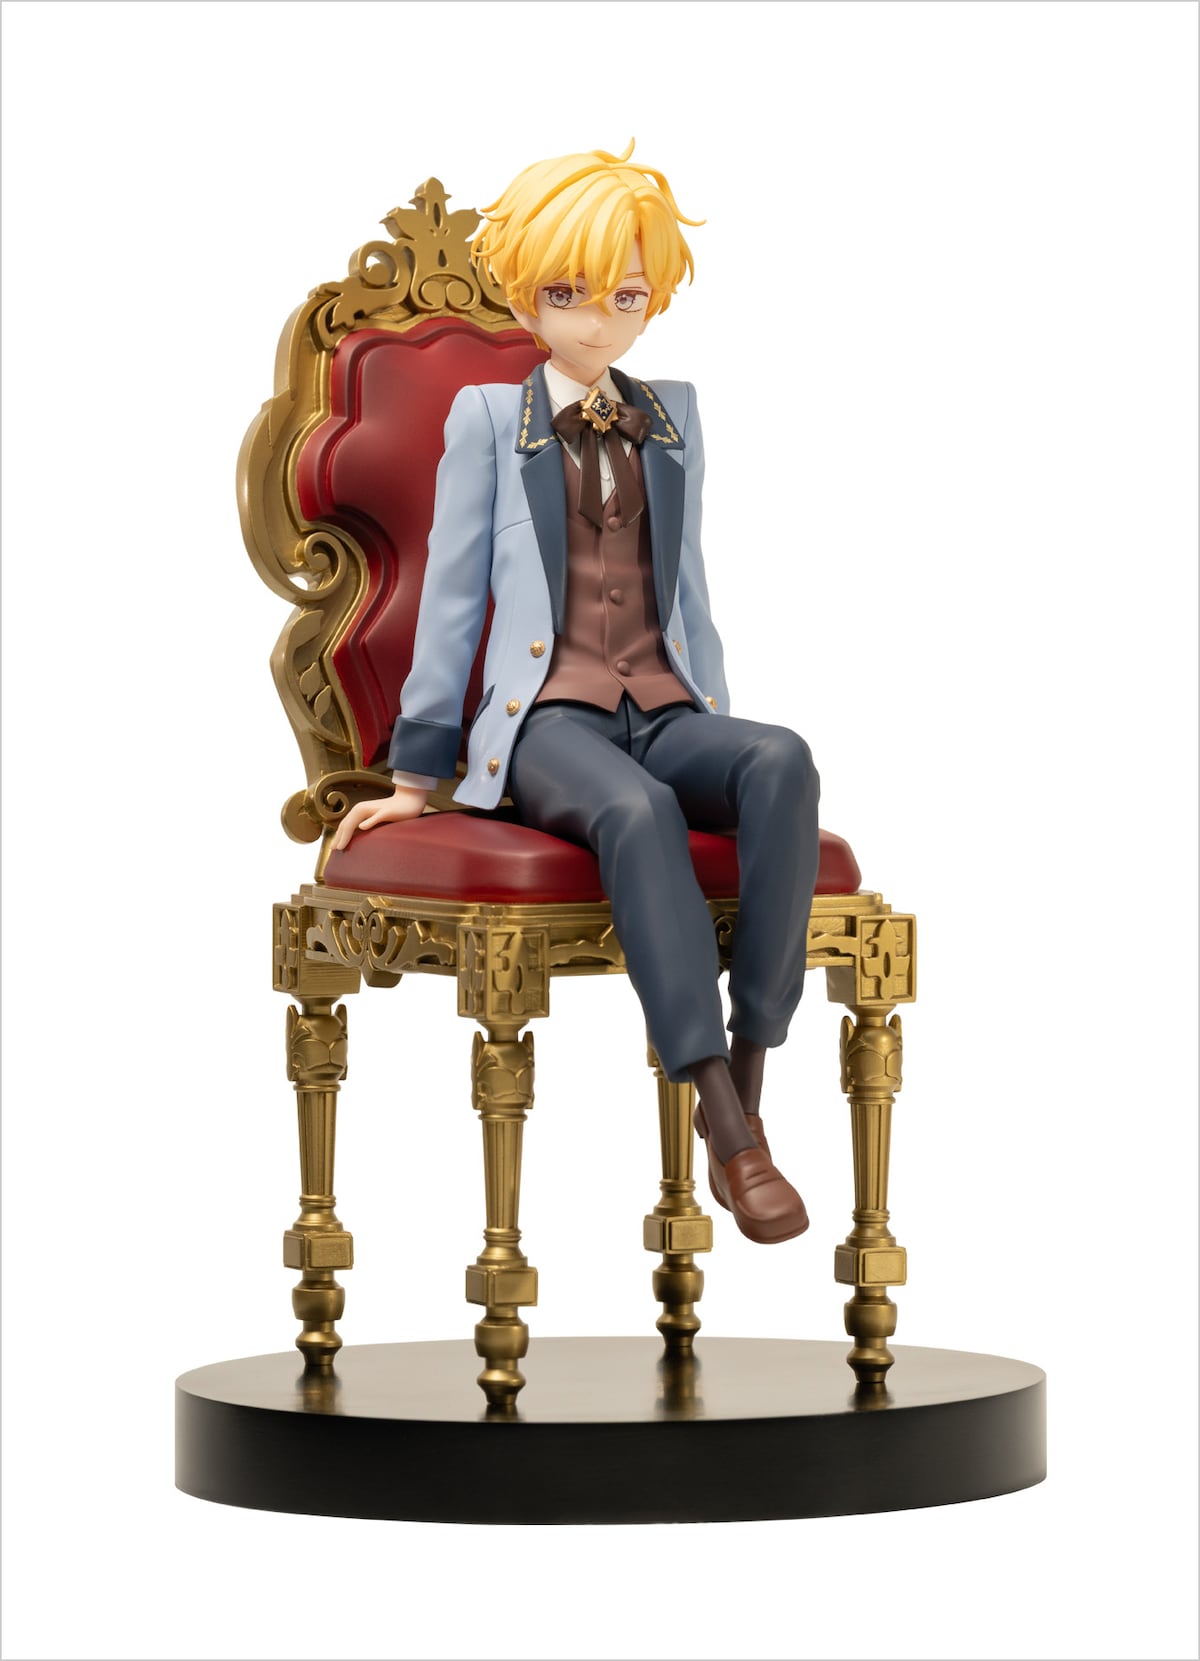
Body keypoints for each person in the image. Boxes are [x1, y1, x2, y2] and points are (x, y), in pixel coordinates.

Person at [333, 144, 820, 1243]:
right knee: (635, 811)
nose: (599, 322)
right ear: (527, 297)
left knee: (783, 757)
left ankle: (748, 1078)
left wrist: (715, 722)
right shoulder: (487, 422)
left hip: (665, 704)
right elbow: (451, 596)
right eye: (571, 294)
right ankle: (730, 1128)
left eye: (626, 298)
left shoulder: (674, 416)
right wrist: (416, 775)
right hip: (548, 721)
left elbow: (689, 589)